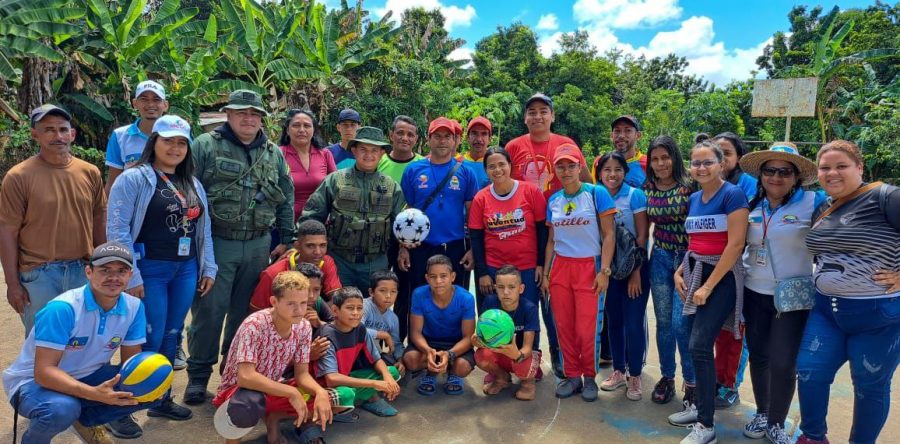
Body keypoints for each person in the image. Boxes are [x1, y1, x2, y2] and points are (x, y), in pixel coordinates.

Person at [105, 115, 218, 434]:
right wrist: (132, 275)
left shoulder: (192, 183)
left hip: (185, 268)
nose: (175, 148)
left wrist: (208, 265)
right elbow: (117, 229)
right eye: (168, 140)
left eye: (182, 142)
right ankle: (119, 407)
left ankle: (160, 398)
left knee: (172, 335)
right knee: (146, 337)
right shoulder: (134, 178)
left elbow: (203, 227)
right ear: (153, 142)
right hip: (148, 267)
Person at [185, 89, 296, 405]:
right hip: (218, 242)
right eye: (241, 113)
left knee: (245, 317)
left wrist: (287, 238)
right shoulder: (205, 146)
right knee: (209, 312)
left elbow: (285, 196)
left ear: (261, 118)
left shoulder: (273, 154)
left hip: (259, 244)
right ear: (229, 114)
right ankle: (197, 376)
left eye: (254, 114)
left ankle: (233, 376)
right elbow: (187, 191)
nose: (248, 119)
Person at [795, 140, 900, 444]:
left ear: (860, 168)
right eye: (825, 168)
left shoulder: (886, 197)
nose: (832, 173)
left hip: (879, 317)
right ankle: (813, 437)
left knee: (870, 386)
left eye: (841, 166)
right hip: (827, 311)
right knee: (810, 373)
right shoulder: (825, 207)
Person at [2, 242, 158, 443]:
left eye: (121, 271)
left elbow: (132, 366)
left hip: (86, 376)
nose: (113, 278)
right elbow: (44, 373)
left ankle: (85, 421)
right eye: (105, 270)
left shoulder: (134, 307)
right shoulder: (63, 308)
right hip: (31, 384)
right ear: (88, 272)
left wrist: (139, 385)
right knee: (62, 409)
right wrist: (96, 394)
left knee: (155, 385)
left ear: (130, 275)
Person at [736, 142, 824, 443]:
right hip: (754, 291)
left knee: (783, 362)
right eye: (770, 170)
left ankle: (776, 421)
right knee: (759, 356)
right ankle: (763, 412)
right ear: (761, 175)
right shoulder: (752, 205)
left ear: (797, 176)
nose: (776, 177)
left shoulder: (815, 202)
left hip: (793, 298)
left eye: (784, 172)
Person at [0, 104, 106, 334]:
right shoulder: (18, 177)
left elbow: (99, 219)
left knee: (82, 340)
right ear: (35, 135)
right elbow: (8, 230)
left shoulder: (89, 172)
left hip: (82, 270)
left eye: (62, 129)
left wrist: (104, 265)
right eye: (48, 130)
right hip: (39, 275)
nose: (57, 136)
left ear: (72, 134)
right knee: (42, 344)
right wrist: (13, 284)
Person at [671, 140, 749, 444]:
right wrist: (680, 270)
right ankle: (700, 408)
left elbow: (735, 245)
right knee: (697, 346)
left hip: (723, 277)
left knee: (700, 344)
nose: (701, 168)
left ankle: (706, 425)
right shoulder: (694, 198)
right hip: (695, 271)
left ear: (721, 164)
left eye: (707, 162)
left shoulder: (733, 195)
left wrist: (707, 285)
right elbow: (695, 242)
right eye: (696, 163)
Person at [211, 271, 337, 444]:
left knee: (335, 396)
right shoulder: (255, 324)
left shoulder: (304, 327)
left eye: (303, 303)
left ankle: (274, 418)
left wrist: (320, 392)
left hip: (275, 386)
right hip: (238, 392)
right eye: (291, 303)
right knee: (248, 404)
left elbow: (302, 375)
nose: (299, 310)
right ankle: (232, 440)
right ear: (274, 302)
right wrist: (291, 392)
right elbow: (245, 377)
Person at [468, 146, 558, 379]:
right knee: (493, 317)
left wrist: (540, 265)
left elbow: (541, 230)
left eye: (501, 164)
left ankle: (529, 362)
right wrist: (482, 273)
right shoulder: (481, 197)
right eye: (491, 166)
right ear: (486, 170)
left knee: (527, 314)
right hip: (493, 268)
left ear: (510, 166)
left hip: (526, 267)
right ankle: (497, 365)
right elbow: (476, 237)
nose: (497, 169)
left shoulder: (530, 192)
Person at [541, 144, 617, 401]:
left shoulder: (597, 194)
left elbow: (609, 235)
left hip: (590, 265)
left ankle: (589, 377)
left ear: (579, 167)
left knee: (587, 327)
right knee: (563, 325)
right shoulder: (553, 199)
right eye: (560, 166)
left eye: (571, 165)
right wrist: (547, 273)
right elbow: (551, 240)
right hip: (561, 266)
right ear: (555, 170)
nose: (566, 170)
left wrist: (604, 270)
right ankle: (572, 376)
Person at [398, 117, 478, 339]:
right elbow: (407, 213)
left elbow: (472, 214)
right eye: (437, 136)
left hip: (454, 247)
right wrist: (403, 248)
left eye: (447, 137)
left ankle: (453, 348)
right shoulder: (414, 170)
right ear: (428, 139)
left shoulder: (465, 172)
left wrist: (472, 249)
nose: (442, 141)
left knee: (455, 297)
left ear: (455, 141)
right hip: (420, 246)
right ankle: (416, 345)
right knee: (418, 296)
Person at [301, 126, 405, 290]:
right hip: (339, 260)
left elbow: (402, 224)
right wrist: (301, 244)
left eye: (374, 150)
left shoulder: (392, 186)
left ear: (382, 153)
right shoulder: (336, 180)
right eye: (363, 149)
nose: (369, 155)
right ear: (354, 150)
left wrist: (404, 248)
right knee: (337, 307)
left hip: (376, 262)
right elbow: (312, 216)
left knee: (373, 310)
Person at [643, 135, 696, 405]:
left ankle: (692, 381)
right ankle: (667, 377)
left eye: (666, 157)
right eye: (655, 158)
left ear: (675, 157)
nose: (661, 163)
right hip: (660, 258)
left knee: (681, 324)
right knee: (663, 323)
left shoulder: (691, 186)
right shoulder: (648, 187)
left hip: (688, 260)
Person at [594, 152, 651, 401]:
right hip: (610, 269)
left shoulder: (634, 195)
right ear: (599, 173)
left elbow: (642, 236)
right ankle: (618, 370)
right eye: (607, 169)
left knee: (633, 322)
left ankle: (635, 375)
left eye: (618, 169)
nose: (612, 174)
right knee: (613, 321)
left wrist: (635, 273)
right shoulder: (596, 195)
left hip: (634, 270)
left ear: (625, 172)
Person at [709, 131, 756, 409]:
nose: (721, 157)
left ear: (738, 156)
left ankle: (730, 384)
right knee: (715, 331)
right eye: (716, 151)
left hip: (741, 268)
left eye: (726, 152)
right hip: (710, 267)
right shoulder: (705, 184)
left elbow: (737, 232)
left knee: (736, 333)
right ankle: (715, 379)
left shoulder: (748, 185)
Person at [317, 287, 401, 417]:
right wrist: (374, 383)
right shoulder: (327, 335)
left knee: (391, 372)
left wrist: (387, 378)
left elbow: (376, 359)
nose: (356, 313)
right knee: (345, 395)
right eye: (350, 308)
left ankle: (366, 400)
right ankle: (335, 414)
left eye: (359, 308)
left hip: (348, 377)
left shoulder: (360, 328)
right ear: (335, 310)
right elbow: (331, 379)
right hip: (326, 387)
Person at [403, 255, 476, 396]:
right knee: (410, 360)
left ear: (453, 276)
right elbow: (415, 333)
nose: (438, 281)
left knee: (462, 368)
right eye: (433, 276)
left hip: (455, 344)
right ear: (427, 278)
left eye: (443, 276)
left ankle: (451, 371)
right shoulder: (419, 294)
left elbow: (468, 338)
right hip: (429, 342)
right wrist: (428, 350)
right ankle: (432, 369)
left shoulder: (466, 298)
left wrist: (450, 354)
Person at [377, 115, 423, 331]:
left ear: (416, 139)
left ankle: (400, 341)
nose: (405, 138)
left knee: (405, 291)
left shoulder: (423, 165)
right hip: (379, 236)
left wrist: (406, 244)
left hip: (410, 240)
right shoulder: (379, 162)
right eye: (400, 133)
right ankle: (374, 339)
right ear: (391, 135)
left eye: (410, 134)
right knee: (379, 289)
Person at [473, 265, 542, 401]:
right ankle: (502, 378)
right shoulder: (490, 302)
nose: (505, 292)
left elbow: (528, 347)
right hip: (500, 352)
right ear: (495, 288)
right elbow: (477, 335)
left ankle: (528, 384)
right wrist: (476, 341)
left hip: (522, 354)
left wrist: (516, 354)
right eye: (500, 287)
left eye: (511, 287)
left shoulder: (529, 308)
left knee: (526, 366)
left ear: (521, 289)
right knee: (481, 356)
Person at [505, 93, 591, 198]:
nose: (537, 117)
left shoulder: (567, 144)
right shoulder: (512, 147)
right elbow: (503, 184)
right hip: (523, 212)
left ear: (553, 116)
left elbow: (586, 181)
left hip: (560, 211)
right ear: (525, 118)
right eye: (532, 113)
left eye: (543, 112)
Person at [250, 219, 343, 311]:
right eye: (310, 246)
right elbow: (256, 310)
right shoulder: (273, 273)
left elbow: (338, 300)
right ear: (297, 246)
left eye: (322, 245)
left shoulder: (326, 261)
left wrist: (316, 316)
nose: (318, 252)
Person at [105, 80, 169, 194]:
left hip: (170, 205)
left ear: (165, 105)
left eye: (156, 99)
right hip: (131, 207)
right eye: (144, 99)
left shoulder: (177, 135)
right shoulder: (119, 136)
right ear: (135, 103)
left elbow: (188, 176)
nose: (150, 104)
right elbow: (113, 183)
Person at [278, 109, 336, 222]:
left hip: (319, 224)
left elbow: (335, 188)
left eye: (307, 126)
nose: (301, 130)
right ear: (287, 130)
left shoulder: (325, 154)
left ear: (313, 130)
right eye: (296, 125)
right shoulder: (278, 154)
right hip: (285, 223)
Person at [362, 270, 405, 374]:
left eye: (393, 291)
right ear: (371, 292)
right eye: (383, 291)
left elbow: (396, 343)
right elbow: (355, 330)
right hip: (359, 347)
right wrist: (382, 334)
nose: (388, 296)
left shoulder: (393, 318)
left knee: (398, 366)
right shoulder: (363, 306)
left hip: (378, 351)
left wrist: (400, 360)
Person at [596, 115, 647, 188]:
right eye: (617, 131)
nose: (621, 136)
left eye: (628, 130)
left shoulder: (648, 163)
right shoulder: (599, 161)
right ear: (611, 136)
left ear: (638, 135)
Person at [458, 116, 492, 189]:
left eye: (484, 134)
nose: (479, 139)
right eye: (474, 133)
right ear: (467, 137)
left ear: (490, 139)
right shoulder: (457, 163)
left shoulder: (495, 165)